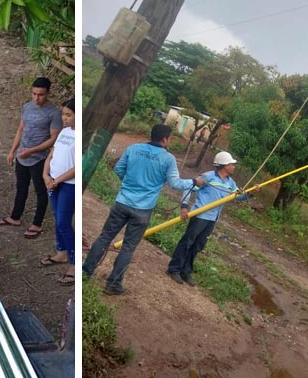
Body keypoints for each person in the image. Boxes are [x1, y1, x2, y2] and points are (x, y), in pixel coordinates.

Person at [82, 124, 206, 295]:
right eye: (169, 138)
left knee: (104, 237)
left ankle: (85, 272)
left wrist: (128, 185)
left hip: (122, 202)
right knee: (128, 247)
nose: (169, 141)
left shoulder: (133, 148)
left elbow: (118, 169)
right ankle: (113, 284)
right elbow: (175, 184)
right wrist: (194, 182)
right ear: (164, 139)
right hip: (142, 210)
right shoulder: (168, 159)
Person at [167, 151, 258, 286]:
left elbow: (236, 196)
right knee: (187, 242)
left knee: (198, 245)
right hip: (200, 215)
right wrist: (184, 206)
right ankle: (174, 269)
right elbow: (189, 188)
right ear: (225, 165)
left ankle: (186, 272)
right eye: (232, 164)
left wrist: (249, 193)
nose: (234, 166)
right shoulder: (208, 177)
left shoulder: (230, 183)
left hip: (212, 219)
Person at [0, 77, 62, 239]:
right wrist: (12, 151)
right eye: (34, 94)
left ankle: (37, 224)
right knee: (21, 187)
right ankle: (15, 217)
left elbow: (53, 139)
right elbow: (21, 129)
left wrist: (32, 151)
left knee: (41, 191)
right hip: (22, 155)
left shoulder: (54, 113)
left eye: (41, 95)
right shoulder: (27, 107)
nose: (36, 98)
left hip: (40, 159)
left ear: (48, 93)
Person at [40, 99, 76, 286]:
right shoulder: (64, 132)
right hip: (52, 181)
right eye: (63, 114)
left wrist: (57, 180)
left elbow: (78, 167)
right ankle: (61, 252)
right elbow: (51, 155)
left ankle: (74, 264)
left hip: (68, 185)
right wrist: (46, 174)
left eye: (69, 115)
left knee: (63, 222)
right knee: (57, 218)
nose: (64, 118)